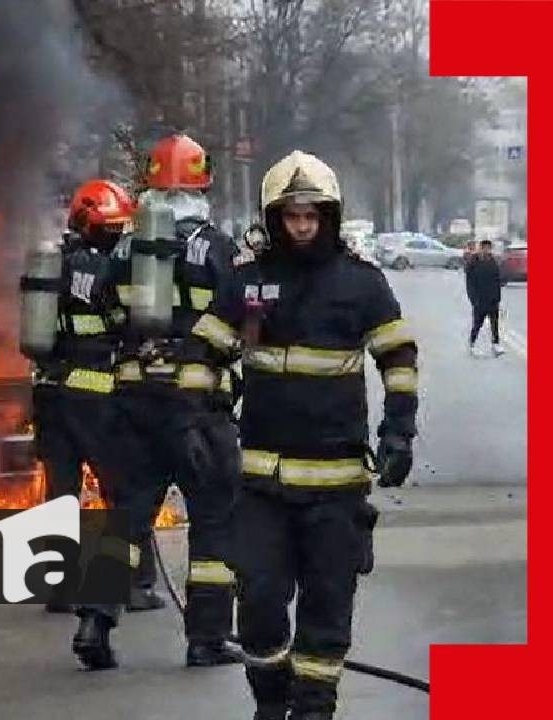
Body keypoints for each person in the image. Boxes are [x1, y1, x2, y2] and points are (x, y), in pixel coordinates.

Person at [230, 150, 418, 720]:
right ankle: (270, 698)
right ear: (274, 218)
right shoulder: (249, 280)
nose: (303, 225)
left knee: (327, 608)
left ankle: (315, 707)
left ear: (330, 216)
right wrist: (196, 415)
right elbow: (208, 348)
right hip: (262, 483)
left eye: (313, 215)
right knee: (259, 605)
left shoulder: (362, 283)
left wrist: (399, 432)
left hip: (337, 488)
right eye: (292, 216)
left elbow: (398, 357)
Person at [73, 133, 245, 670]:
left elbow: (101, 308)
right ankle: (207, 638)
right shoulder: (215, 245)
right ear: (203, 185)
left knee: (126, 518)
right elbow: (240, 311)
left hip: (133, 403)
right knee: (214, 519)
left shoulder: (126, 246)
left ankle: (94, 620)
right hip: (196, 408)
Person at [27, 179, 136, 615]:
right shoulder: (107, 269)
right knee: (120, 490)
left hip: (49, 394)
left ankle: (58, 586)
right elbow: (123, 322)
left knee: (61, 492)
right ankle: (127, 581)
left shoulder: (53, 264)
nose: (117, 237)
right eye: (113, 229)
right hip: (94, 396)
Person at [465, 239, 504, 356]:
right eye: (484, 248)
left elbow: (497, 280)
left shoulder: (493, 261)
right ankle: (472, 344)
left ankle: (495, 344)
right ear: (480, 248)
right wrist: (473, 299)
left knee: (495, 323)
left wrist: (498, 297)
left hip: (492, 299)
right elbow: (470, 283)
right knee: (477, 323)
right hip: (479, 299)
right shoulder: (474, 262)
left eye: (488, 248)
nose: (487, 250)